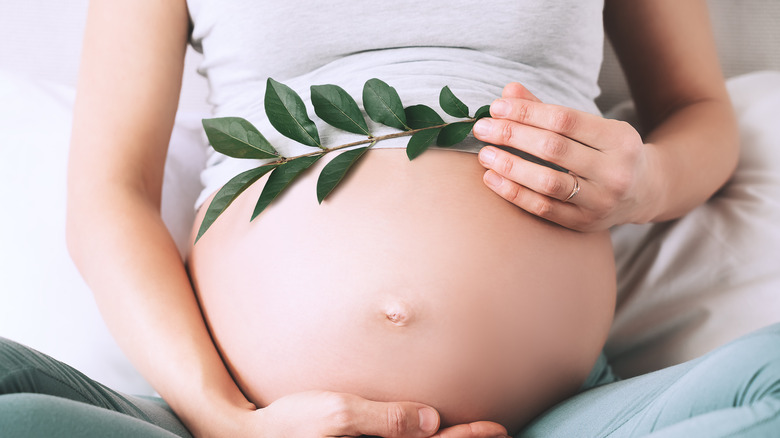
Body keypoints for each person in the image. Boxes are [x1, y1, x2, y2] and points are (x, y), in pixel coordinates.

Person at [1, 0, 778, 437]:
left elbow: (696, 109)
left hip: (553, 420)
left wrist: (648, 180)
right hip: (245, 424)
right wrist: (227, 421)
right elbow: (109, 193)